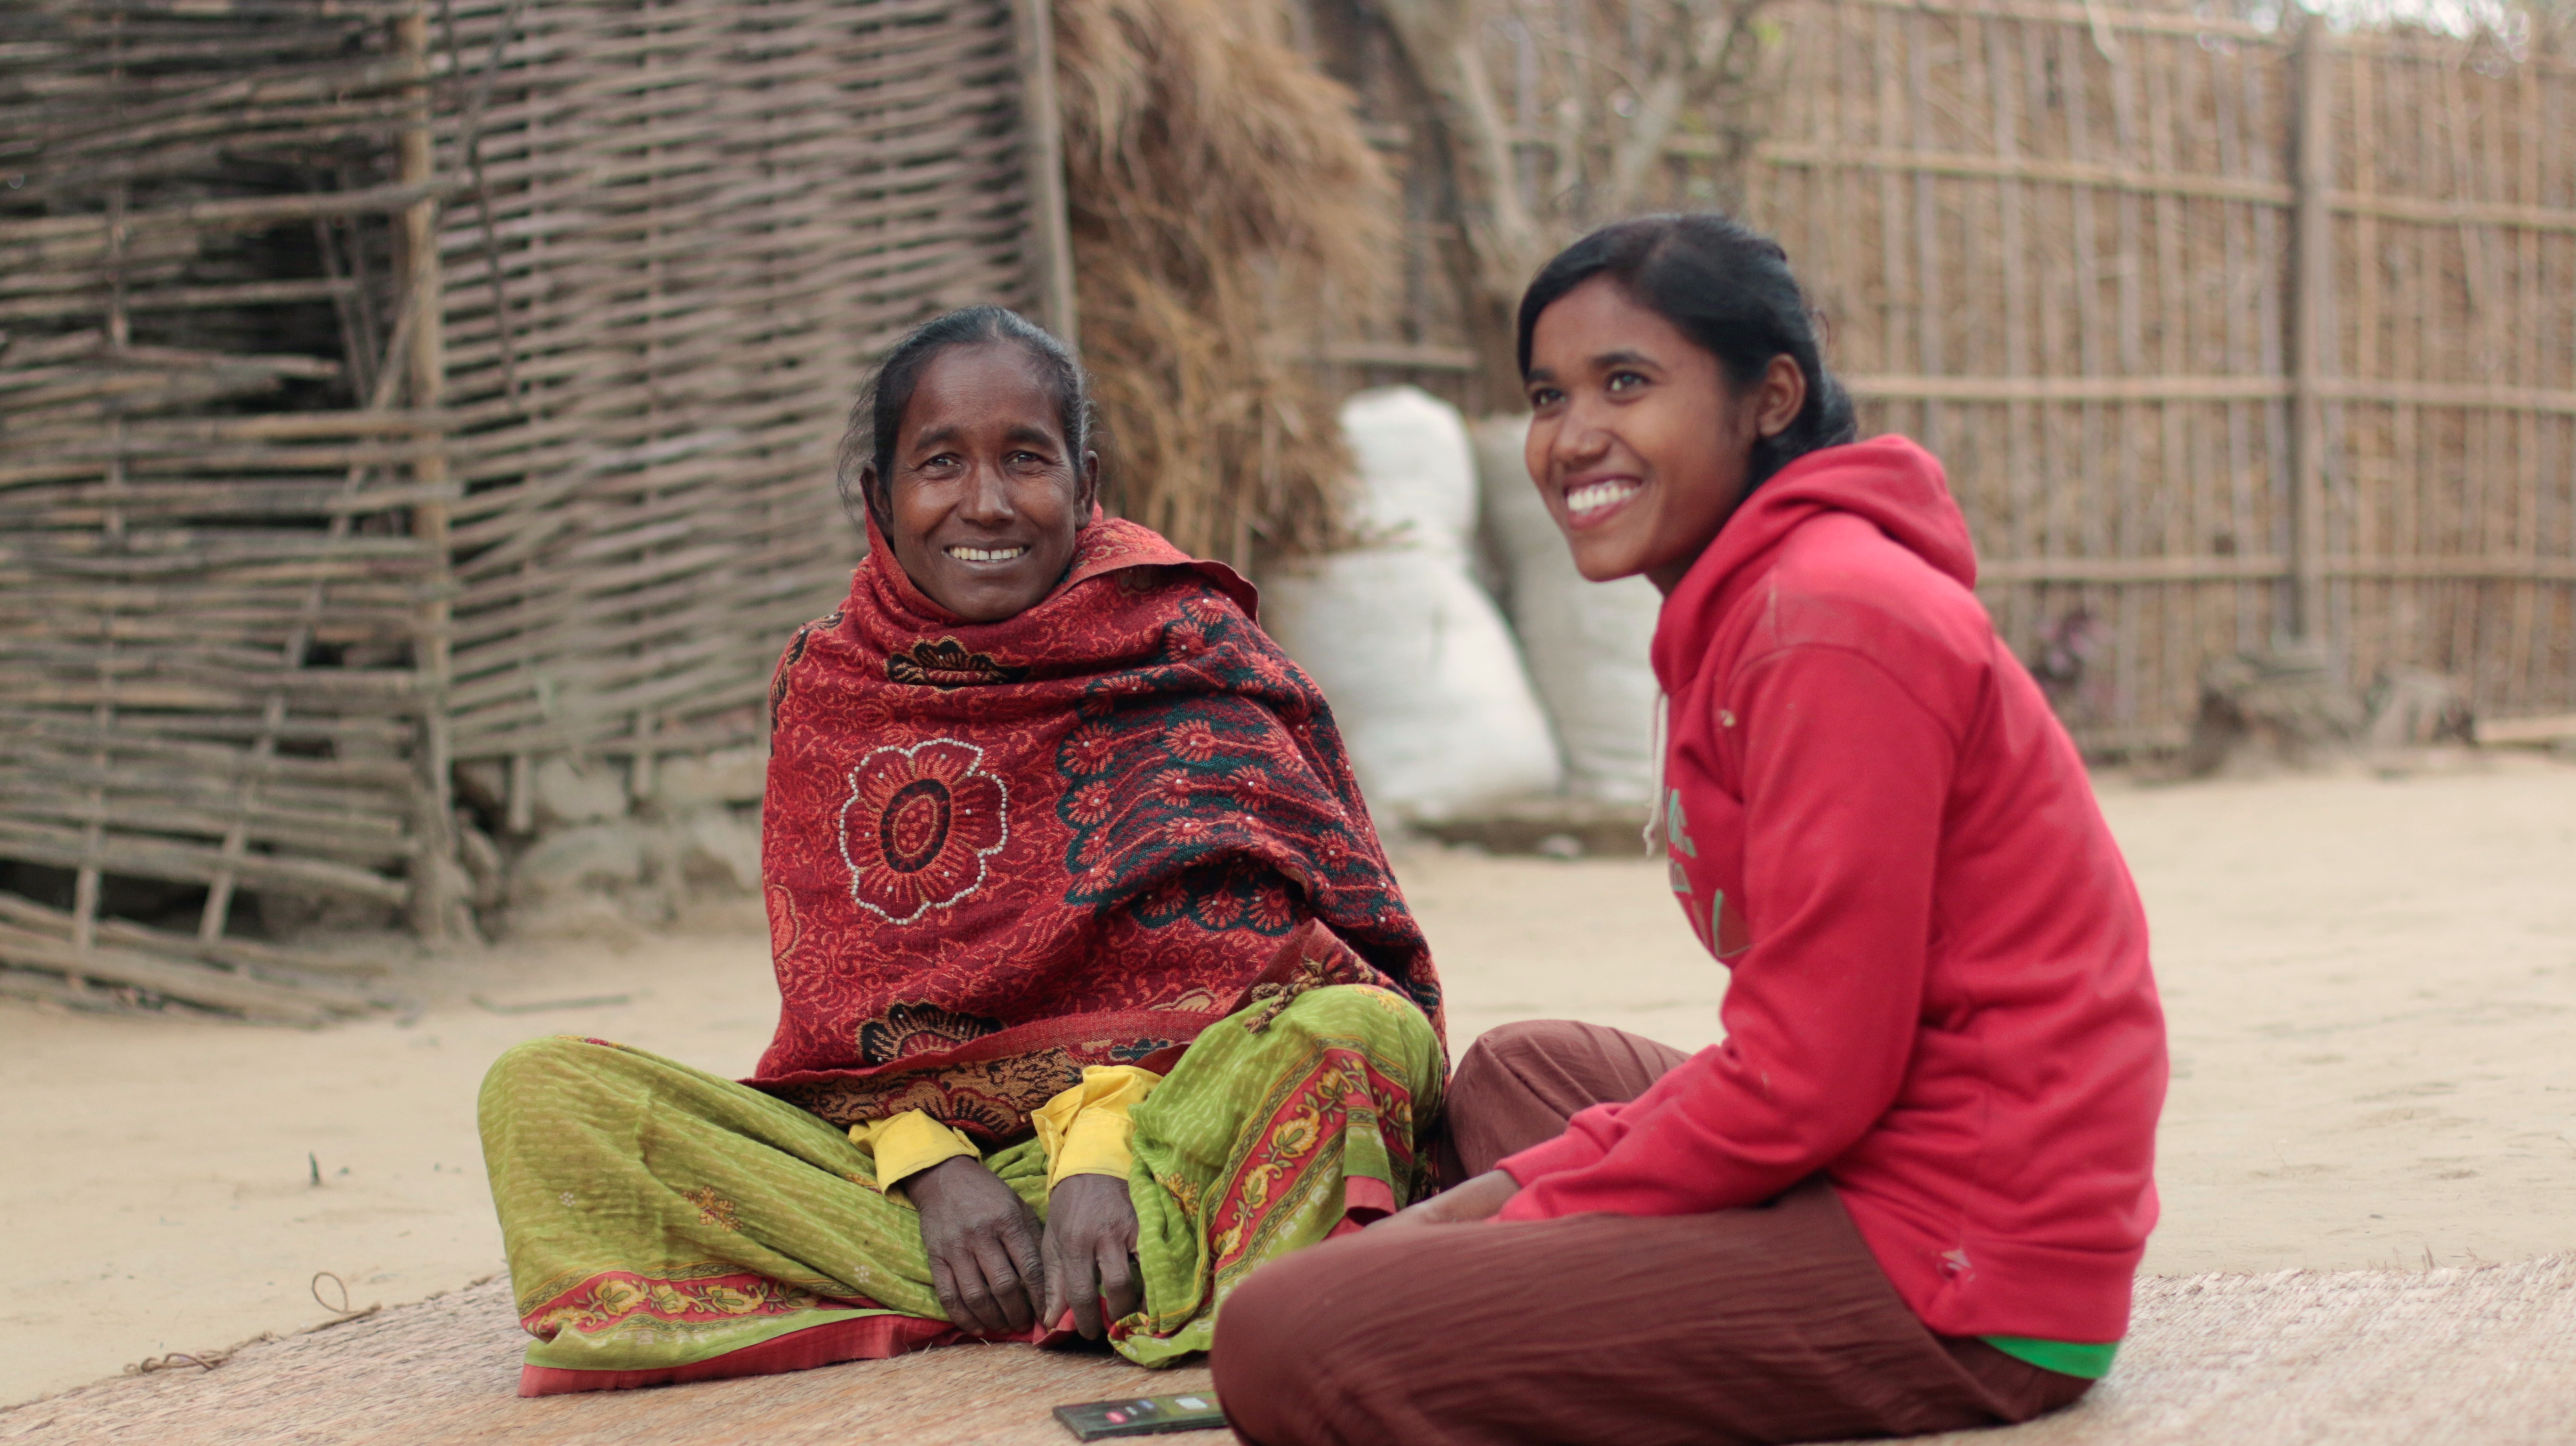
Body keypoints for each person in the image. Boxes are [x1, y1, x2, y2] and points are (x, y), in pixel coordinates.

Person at [1212, 214, 2168, 1446]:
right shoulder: (1748, 604)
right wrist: (1529, 1197)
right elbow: (1809, 1071)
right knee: (1519, 1076)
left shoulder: (1829, 620)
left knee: (1288, 1335)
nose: (1572, 438)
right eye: (1550, 395)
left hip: (1969, 1254)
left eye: (1628, 383)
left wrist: (1488, 1216)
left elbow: (1804, 1084)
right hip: (1880, 1140)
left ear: (1770, 396)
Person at [478, 306, 1445, 1396]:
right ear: (880, 498)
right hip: (919, 1179)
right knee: (540, 1090)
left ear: (1084, 487)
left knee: (1355, 1033)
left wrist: (1099, 1148)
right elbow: (840, 1021)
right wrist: (927, 1165)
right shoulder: (832, 685)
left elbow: (1273, 971)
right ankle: (1130, 1282)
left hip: (1183, 1137)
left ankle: (1070, 1269)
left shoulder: (1191, 651)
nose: (985, 503)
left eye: (1024, 461)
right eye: (941, 463)